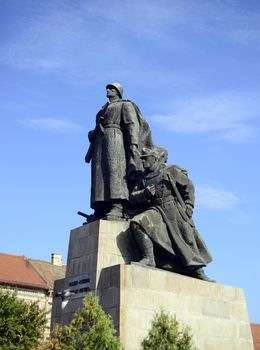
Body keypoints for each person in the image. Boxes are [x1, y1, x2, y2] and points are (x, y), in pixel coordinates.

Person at [129, 146, 214, 281]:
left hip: (173, 210)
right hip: (156, 209)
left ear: (155, 159)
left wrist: (189, 205)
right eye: (142, 159)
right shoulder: (142, 178)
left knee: (186, 240)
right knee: (138, 222)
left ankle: (197, 270)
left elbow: (189, 187)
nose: (143, 162)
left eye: (145, 159)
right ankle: (149, 258)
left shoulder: (171, 171)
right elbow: (133, 197)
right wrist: (144, 194)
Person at [85, 82, 153, 221]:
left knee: (115, 171)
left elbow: (132, 124)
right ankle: (100, 207)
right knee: (99, 175)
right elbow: (95, 128)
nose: (108, 90)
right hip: (100, 142)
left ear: (118, 91)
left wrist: (133, 144)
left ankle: (117, 205)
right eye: (107, 88)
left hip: (115, 139)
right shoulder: (102, 109)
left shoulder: (125, 104)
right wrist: (92, 133)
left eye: (112, 88)